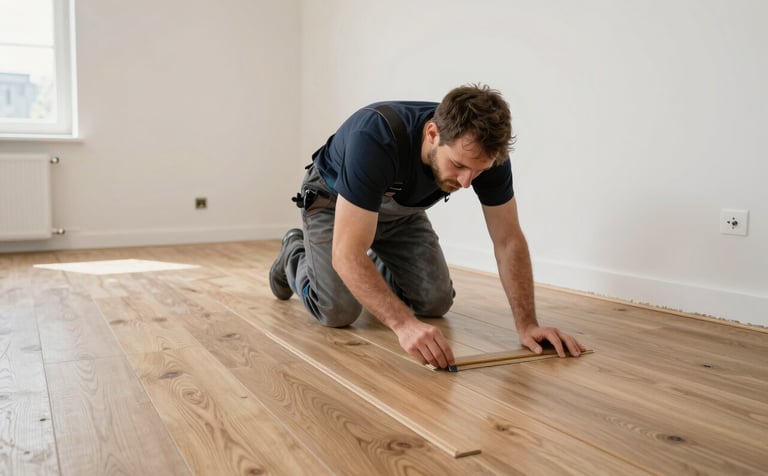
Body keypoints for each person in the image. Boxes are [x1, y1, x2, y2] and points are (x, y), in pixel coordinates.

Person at [269, 83, 586, 369]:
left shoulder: (486, 154)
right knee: (337, 310)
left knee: (436, 301)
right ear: (432, 133)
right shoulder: (375, 136)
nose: (465, 182)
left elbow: (508, 240)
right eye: (459, 166)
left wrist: (527, 324)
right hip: (332, 204)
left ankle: (370, 267)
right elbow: (346, 252)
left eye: (478, 171)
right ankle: (294, 254)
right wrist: (404, 325)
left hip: (400, 214)